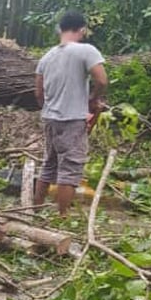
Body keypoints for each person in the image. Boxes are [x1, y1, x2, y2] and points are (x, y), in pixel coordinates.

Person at [33, 11, 108, 216]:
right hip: (72, 119)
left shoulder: (46, 57)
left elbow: (38, 93)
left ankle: (35, 210)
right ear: (81, 29)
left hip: (50, 118)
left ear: (61, 29)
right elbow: (101, 80)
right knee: (70, 169)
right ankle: (62, 217)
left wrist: (49, 107)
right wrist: (93, 99)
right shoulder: (86, 51)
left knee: (48, 165)